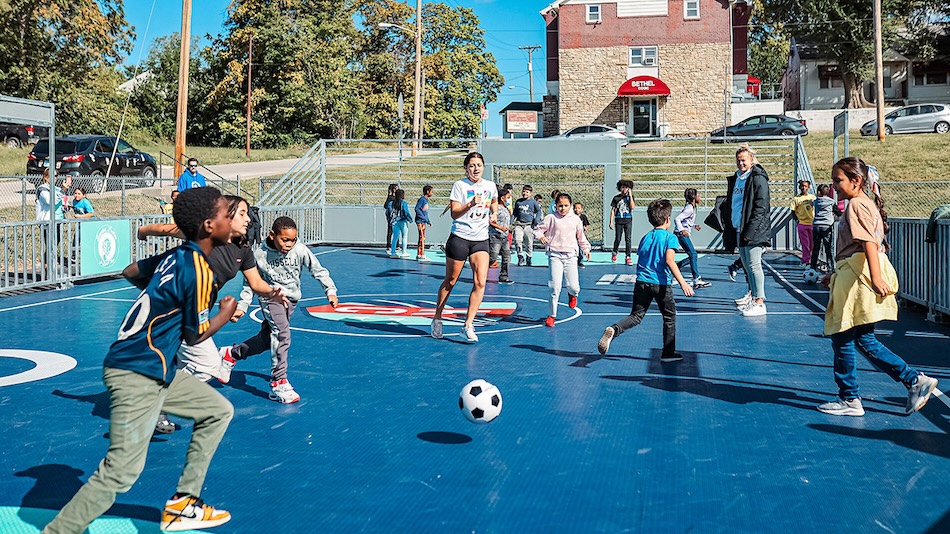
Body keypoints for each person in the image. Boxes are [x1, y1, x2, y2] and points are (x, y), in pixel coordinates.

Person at [42, 187, 236, 533]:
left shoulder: (176, 256)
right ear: (209, 225)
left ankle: (184, 505)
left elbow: (132, 271)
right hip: (138, 371)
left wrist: (160, 298)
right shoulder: (199, 270)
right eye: (226, 215)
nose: (232, 221)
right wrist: (225, 313)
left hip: (152, 368)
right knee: (121, 471)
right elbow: (195, 335)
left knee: (217, 410)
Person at [136, 195, 287, 432]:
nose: (248, 219)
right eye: (242, 213)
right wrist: (142, 230)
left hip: (197, 311)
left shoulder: (244, 250)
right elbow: (168, 229)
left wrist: (272, 292)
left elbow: (256, 283)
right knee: (208, 365)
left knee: (188, 363)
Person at [816, 157, 937, 417]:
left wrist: (875, 277)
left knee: (842, 336)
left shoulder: (856, 205)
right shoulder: (866, 204)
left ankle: (849, 398)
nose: (834, 186)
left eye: (838, 180)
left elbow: (868, 243)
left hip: (857, 276)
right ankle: (914, 380)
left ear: (856, 180)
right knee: (864, 338)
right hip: (855, 271)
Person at [224, 216, 338, 403]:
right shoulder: (260, 254)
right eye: (285, 240)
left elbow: (318, 270)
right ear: (272, 235)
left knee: (266, 339)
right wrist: (243, 305)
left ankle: (232, 353)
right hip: (270, 298)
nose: (289, 244)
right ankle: (279, 382)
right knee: (282, 334)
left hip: (291, 300)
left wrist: (330, 290)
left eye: (293, 240)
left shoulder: (299, 250)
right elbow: (249, 283)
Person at [597, 199, 694, 361]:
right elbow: (669, 260)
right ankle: (668, 353)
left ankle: (615, 329)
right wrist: (683, 283)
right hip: (661, 284)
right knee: (669, 317)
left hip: (642, 282)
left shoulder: (646, 237)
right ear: (668, 219)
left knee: (636, 316)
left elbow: (643, 259)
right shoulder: (670, 238)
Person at [431, 152, 498, 343]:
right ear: (466, 168)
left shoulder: (490, 186)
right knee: (451, 281)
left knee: (481, 282)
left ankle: (468, 324)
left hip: (481, 240)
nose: (476, 169)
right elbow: (454, 213)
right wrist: (470, 204)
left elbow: (494, 201)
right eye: (472, 165)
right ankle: (437, 318)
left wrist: (494, 213)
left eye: (479, 165)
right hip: (460, 238)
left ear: (483, 166)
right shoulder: (460, 186)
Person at [722, 145, 771, 317]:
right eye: (738, 160)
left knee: (754, 265)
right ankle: (752, 297)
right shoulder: (737, 178)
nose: (741, 163)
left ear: (751, 160)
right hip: (739, 228)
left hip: (753, 230)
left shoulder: (757, 178)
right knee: (747, 266)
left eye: (744, 160)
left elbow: (760, 207)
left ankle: (759, 302)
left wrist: (750, 231)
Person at [535, 192, 591, 327]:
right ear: (556, 205)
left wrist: (586, 249)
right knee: (554, 286)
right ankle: (551, 315)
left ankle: (572, 294)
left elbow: (581, 236)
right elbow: (537, 229)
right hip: (555, 255)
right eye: (560, 206)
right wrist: (541, 236)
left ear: (570, 205)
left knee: (574, 286)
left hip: (571, 256)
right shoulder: (550, 218)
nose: (563, 208)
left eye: (566, 205)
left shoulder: (576, 220)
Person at [673, 188, 710, 288]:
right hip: (680, 234)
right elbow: (677, 219)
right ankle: (696, 279)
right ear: (693, 197)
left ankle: (675, 267)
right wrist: (682, 230)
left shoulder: (691, 207)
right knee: (693, 254)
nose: (700, 196)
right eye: (698, 195)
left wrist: (694, 226)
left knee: (692, 255)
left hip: (680, 234)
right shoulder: (689, 208)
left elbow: (686, 221)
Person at [512, 185, 543, 267]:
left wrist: (536, 219)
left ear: (530, 193)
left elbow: (539, 211)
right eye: (523, 191)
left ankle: (529, 256)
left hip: (528, 225)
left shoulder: (533, 202)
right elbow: (515, 213)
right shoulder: (518, 202)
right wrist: (511, 221)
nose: (524, 193)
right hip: (519, 224)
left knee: (529, 242)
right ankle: (520, 256)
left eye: (527, 192)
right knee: (517, 240)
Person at [488, 187, 513, 284]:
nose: (509, 200)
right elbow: (490, 221)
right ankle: (480, 270)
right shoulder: (495, 208)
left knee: (507, 256)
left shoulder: (505, 209)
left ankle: (504, 276)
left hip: (504, 237)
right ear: (502, 198)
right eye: (508, 197)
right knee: (493, 256)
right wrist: (500, 228)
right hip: (495, 236)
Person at [609, 179, 636, 265]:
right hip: (619, 220)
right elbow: (613, 210)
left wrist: (630, 196)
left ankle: (628, 256)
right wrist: (611, 221)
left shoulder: (630, 198)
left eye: (626, 187)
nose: (624, 189)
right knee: (618, 238)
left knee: (628, 238)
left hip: (628, 220)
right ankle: (615, 252)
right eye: (622, 187)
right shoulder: (616, 198)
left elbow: (632, 207)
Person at [810, 184, 836, 272]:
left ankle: (813, 267)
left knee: (816, 247)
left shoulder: (816, 201)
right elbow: (837, 211)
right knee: (828, 248)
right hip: (827, 226)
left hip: (817, 225)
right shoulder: (831, 202)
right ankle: (830, 267)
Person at [790, 180, 816, 267]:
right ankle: (805, 260)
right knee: (805, 244)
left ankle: (812, 260)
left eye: (805, 186)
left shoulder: (812, 197)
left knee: (812, 244)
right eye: (802, 186)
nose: (803, 188)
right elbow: (793, 211)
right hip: (802, 224)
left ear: (808, 187)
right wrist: (797, 220)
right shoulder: (796, 199)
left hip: (811, 223)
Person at [386, 189, 413, 257]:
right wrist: (410, 219)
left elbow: (387, 212)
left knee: (395, 237)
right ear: (402, 195)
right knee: (404, 237)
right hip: (403, 221)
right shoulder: (404, 203)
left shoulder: (391, 203)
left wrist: (389, 220)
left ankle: (393, 253)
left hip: (394, 222)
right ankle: (404, 252)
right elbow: (406, 212)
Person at [415, 185, 433, 262]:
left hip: (423, 221)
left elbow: (425, 212)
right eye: (431, 191)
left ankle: (420, 253)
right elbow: (417, 208)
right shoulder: (422, 200)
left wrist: (428, 221)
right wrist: (423, 218)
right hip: (420, 221)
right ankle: (421, 254)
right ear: (428, 192)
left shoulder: (426, 200)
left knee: (422, 237)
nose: (432, 193)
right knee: (422, 237)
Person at [574, 202, 590, 268]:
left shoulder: (583, 217)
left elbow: (587, 225)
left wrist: (585, 228)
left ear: (581, 209)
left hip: (580, 235)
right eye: (575, 208)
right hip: (573, 235)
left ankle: (580, 261)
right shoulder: (572, 217)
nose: (577, 209)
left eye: (578, 208)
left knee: (580, 248)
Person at [384, 183, 398, 250]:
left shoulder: (397, 197)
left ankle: (397, 245)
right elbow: (385, 205)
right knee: (390, 231)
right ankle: (388, 245)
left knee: (397, 231)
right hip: (391, 216)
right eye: (396, 189)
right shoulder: (390, 197)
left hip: (396, 216)